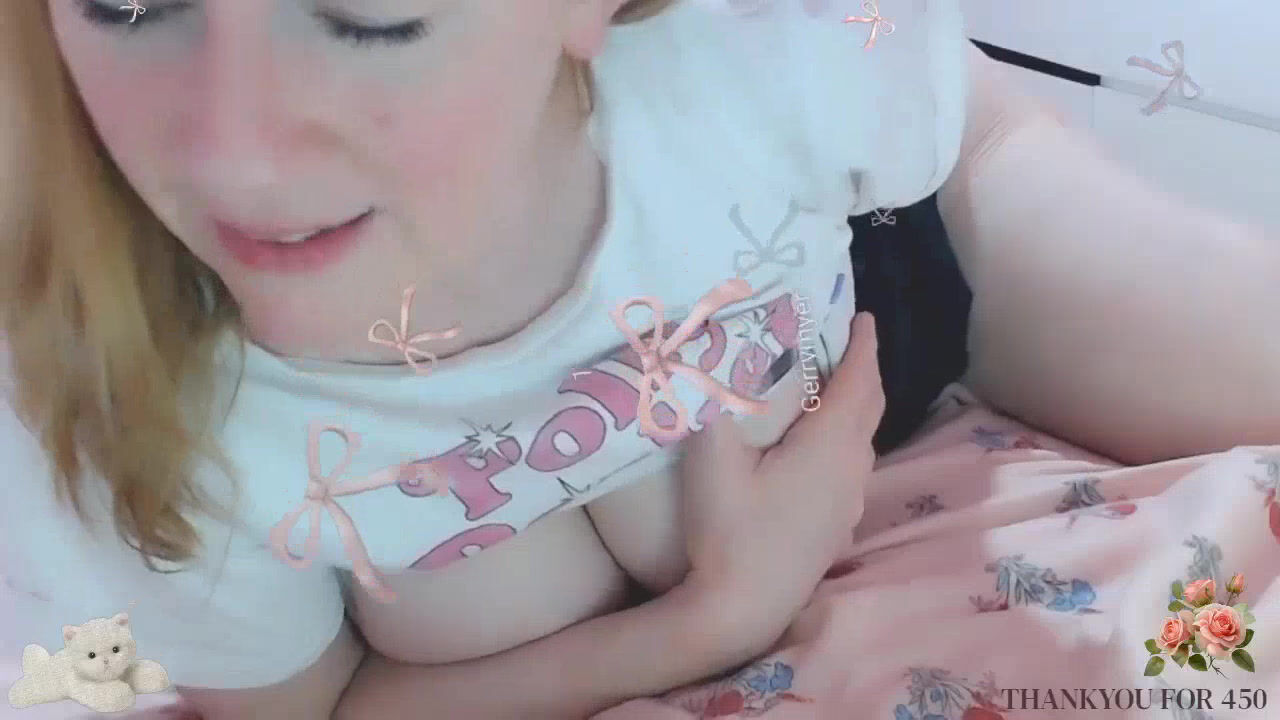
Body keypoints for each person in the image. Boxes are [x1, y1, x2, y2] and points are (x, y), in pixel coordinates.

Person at [1, 1, 1275, 719]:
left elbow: (949, 148)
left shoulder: (770, 59)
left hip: (889, 256)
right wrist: (714, 618)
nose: (231, 155)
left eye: (372, 12)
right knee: (476, 590)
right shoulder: (126, 396)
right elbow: (321, 714)